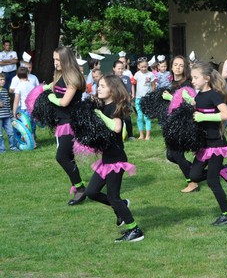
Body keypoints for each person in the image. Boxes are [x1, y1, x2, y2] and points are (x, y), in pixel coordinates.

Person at [85, 75, 143, 242]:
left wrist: (99, 114)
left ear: (113, 89)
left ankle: (135, 230)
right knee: (91, 192)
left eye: (103, 86)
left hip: (116, 160)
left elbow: (116, 128)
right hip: (106, 159)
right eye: (98, 85)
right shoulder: (103, 106)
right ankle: (122, 205)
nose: (99, 88)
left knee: (113, 197)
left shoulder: (115, 107)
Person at [181, 62, 227, 225]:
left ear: (206, 78)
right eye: (192, 77)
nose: (192, 80)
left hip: (216, 144)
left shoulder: (214, 95)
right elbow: (198, 109)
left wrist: (204, 117)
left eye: (195, 77)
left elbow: (226, 115)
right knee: (194, 175)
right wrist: (189, 102)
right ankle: (224, 171)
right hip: (204, 144)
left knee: (212, 181)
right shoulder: (199, 96)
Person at [46, 47, 87, 204]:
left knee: (61, 157)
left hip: (71, 123)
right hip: (62, 121)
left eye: (58, 60)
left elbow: (64, 102)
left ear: (66, 60)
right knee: (68, 157)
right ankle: (78, 188)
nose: (55, 63)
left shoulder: (73, 77)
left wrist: (51, 98)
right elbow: (52, 87)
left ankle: (80, 188)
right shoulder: (60, 75)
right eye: (54, 59)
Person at [162, 55, 197, 191]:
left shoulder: (186, 84)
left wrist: (170, 97)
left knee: (176, 154)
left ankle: (192, 182)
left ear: (185, 68)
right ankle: (198, 172)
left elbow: (190, 103)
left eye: (181, 65)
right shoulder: (172, 82)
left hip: (183, 123)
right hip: (173, 122)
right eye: (175, 65)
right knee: (170, 156)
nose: (178, 67)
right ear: (171, 67)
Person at [11, 66, 36, 147]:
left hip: (24, 110)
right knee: (32, 127)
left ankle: (27, 144)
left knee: (25, 128)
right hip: (32, 109)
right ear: (27, 74)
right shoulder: (31, 85)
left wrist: (14, 113)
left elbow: (16, 101)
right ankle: (33, 143)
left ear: (18, 76)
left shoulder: (19, 86)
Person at [133, 57, 156, 140]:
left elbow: (153, 85)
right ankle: (141, 135)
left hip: (147, 99)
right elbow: (133, 84)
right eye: (142, 67)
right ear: (138, 66)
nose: (144, 68)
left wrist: (152, 95)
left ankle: (148, 135)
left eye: (145, 66)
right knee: (139, 117)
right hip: (138, 98)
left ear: (148, 66)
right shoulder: (137, 74)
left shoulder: (151, 74)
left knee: (147, 117)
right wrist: (133, 94)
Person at [112, 60, 134, 140]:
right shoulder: (110, 79)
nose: (120, 70)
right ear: (114, 68)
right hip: (114, 102)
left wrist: (128, 99)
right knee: (115, 119)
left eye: (122, 68)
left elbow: (128, 90)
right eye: (118, 68)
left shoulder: (126, 78)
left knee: (127, 119)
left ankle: (130, 135)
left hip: (125, 102)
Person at [0, 73, 18, 152]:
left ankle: (13, 147)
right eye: (0, 80)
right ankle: (2, 149)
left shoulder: (4, 91)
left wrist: (11, 115)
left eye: (3, 79)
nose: (3, 81)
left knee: (11, 133)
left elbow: (7, 104)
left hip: (7, 116)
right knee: (0, 135)